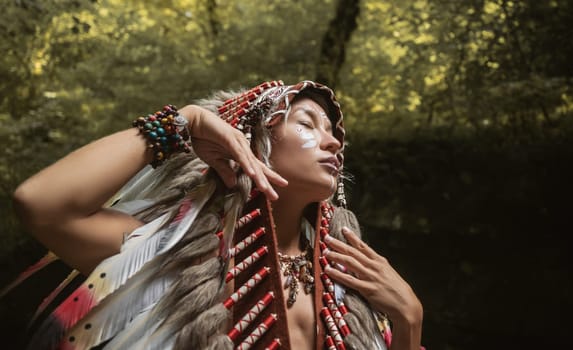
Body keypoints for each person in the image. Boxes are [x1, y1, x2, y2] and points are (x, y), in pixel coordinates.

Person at [12, 80, 423, 349]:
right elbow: (42, 204)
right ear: (252, 140)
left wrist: (409, 321)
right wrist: (185, 123)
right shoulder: (172, 256)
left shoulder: (350, 276)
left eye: (332, 131)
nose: (332, 142)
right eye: (308, 123)